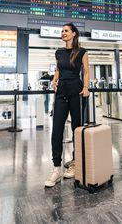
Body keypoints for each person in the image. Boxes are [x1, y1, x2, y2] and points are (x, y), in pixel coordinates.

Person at [45, 23, 90, 188]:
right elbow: (58, 69)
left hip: (77, 92)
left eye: (66, 31)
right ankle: (56, 168)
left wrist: (86, 87)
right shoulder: (59, 52)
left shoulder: (81, 52)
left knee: (76, 129)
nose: (63, 33)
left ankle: (76, 162)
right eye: (62, 31)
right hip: (61, 92)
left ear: (74, 33)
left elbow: (86, 71)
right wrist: (54, 79)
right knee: (56, 129)